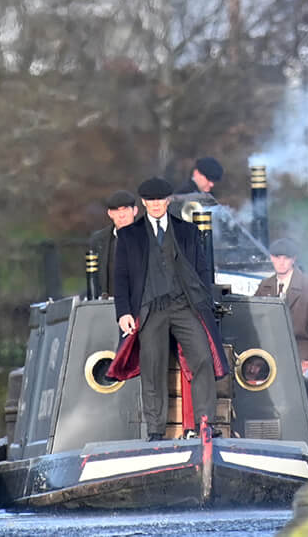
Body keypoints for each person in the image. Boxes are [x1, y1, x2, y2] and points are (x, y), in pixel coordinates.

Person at [113, 175, 225, 440]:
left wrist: (205, 301)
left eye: (159, 200)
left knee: (203, 359)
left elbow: (202, 269)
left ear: (168, 200)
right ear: (143, 202)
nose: (155, 205)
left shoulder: (187, 230)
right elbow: (121, 277)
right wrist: (123, 313)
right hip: (150, 308)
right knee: (152, 367)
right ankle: (155, 431)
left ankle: (205, 424)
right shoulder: (129, 235)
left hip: (185, 305)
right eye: (150, 201)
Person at [254, 237, 308, 371]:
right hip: (270, 354)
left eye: (286, 258)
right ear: (271, 258)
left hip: (301, 354)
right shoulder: (265, 286)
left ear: (293, 259)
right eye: (277, 257)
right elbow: (256, 322)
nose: (281, 262)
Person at [90, 189, 140, 298]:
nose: (121, 215)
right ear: (110, 214)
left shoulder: (148, 236)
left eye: (126, 209)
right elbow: (95, 279)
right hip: (109, 306)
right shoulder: (99, 240)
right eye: (116, 211)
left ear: (135, 211)